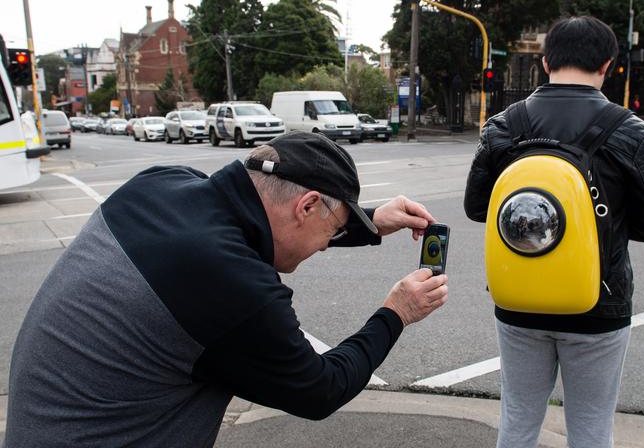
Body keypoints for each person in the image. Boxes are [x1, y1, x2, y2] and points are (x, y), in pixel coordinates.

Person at [5, 131, 449, 447]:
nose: (325, 245)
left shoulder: (158, 185)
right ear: (308, 204)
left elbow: (264, 220)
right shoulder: (237, 288)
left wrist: (368, 222)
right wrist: (397, 312)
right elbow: (321, 390)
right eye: (332, 230)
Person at [465, 16, 644, 448]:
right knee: (590, 429)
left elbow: (478, 209)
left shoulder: (501, 126)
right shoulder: (632, 131)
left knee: (517, 421)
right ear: (608, 65)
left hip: (518, 299)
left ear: (546, 62)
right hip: (599, 306)